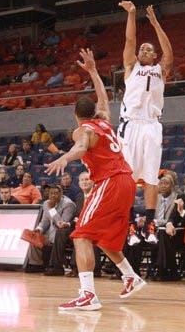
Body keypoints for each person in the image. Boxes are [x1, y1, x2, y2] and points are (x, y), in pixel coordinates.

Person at [44, 48, 146, 311]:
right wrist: (92, 71)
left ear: (75, 114)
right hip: (126, 181)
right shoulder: (104, 122)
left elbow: (80, 148)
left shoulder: (85, 130)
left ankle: (88, 294)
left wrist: (65, 158)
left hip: (110, 181)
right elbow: (103, 96)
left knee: (80, 236)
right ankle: (131, 276)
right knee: (102, 238)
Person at [117, 0, 173, 244]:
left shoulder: (161, 70)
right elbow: (129, 42)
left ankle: (150, 224)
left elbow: (169, 54)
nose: (144, 50)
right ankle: (129, 225)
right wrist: (131, 14)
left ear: (154, 54)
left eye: (149, 49)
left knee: (151, 177)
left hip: (152, 124)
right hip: (131, 125)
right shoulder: (131, 67)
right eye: (142, 48)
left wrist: (155, 24)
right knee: (128, 178)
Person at [25, 184, 76, 273]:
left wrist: (52, 209)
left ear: (61, 193)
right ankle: (36, 264)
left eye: (56, 193)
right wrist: (39, 229)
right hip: (49, 233)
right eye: (51, 193)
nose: (53, 195)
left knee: (55, 233)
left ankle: (52, 266)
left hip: (61, 235)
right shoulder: (46, 203)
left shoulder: (69, 205)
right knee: (34, 236)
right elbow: (45, 221)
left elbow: (62, 224)